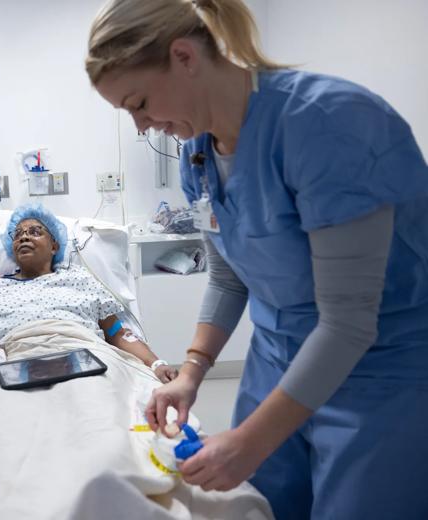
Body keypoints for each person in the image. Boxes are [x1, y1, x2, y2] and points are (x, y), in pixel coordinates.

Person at [85, 0, 428, 518]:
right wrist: (191, 372)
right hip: (274, 360)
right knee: (265, 506)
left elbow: (349, 322)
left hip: (378, 370)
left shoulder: (330, 125)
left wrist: (249, 440)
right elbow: (228, 275)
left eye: (140, 102)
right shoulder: (198, 153)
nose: (142, 125)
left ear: (183, 57)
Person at [0, 203, 176, 383]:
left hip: (81, 356)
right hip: (13, 363)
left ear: (55, 246)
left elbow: (117, 332)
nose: (24, 237)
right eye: (17, 234)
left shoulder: (79, 279)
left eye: (35, 232)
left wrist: (156, 364)